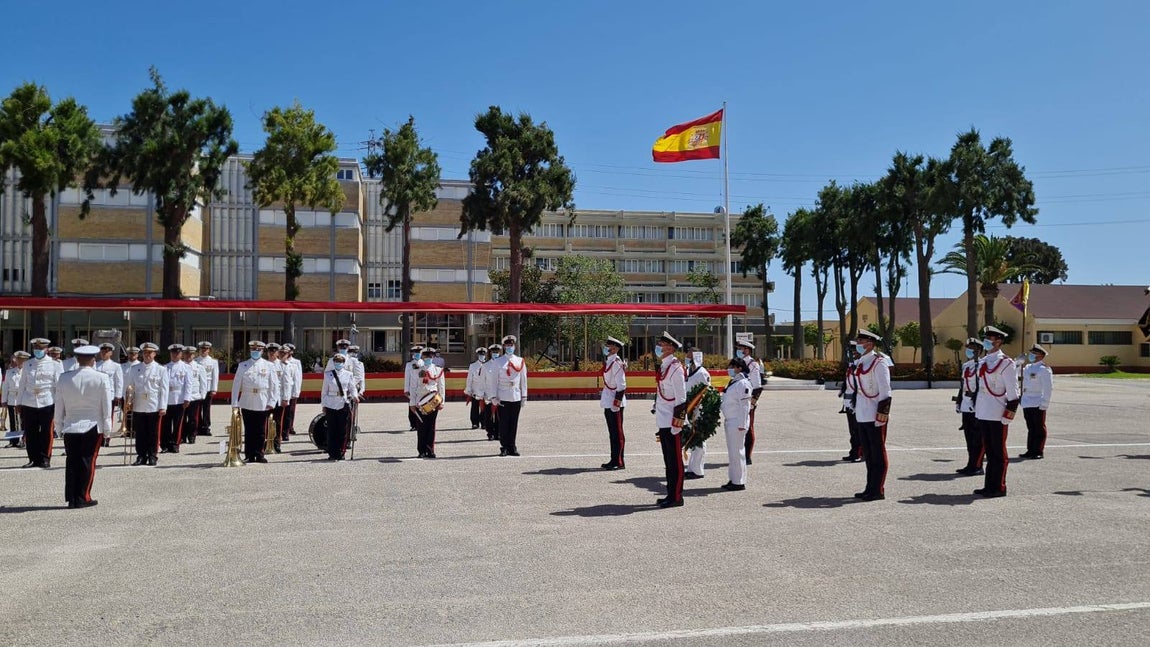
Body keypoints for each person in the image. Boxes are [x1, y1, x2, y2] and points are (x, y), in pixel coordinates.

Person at [53, 345, 112, 508]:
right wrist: (107, 427)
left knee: (72, 461)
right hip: (92, 425)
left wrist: (58, 425)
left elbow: (59, 404)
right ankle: (83, 496)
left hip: (71, 424)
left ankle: (72, 498)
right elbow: (106, 405)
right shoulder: (101, 377)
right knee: (88, 461)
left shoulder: (64, 378)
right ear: (94, 360)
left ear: (77, 359)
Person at [973, 326, 1020, 498]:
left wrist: (1009, 415)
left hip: (998, 413)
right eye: (985, 338)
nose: (986, 341)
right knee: (990, 451)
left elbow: (1014, 393)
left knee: (999, 453)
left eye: (990, 338)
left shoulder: (1006, 363)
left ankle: (999, 486)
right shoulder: (985, 361)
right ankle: (989, 486)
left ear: (999, 341)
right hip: (984, 412)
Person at [852, 330, 892, 502]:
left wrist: (881, 416)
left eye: (860, 341)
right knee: (868, 454)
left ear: (870, 343)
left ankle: (878, 489)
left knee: (878, 453)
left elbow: (886, 392)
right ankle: (870, 487)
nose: (858, 344)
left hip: (875, 415)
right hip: (862, 414)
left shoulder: (879, 363)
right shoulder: (861, 362)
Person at [653, 331, 687, 508]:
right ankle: (669, 493)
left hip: (672, 422)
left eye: (662, 344)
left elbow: (681, 399)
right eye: (659, 344)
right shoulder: (665, 366)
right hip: (663, 419)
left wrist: (677, 423)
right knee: (668, 460)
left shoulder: (675, 368)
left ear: (671, 347)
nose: (659, 347)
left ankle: (677, 496)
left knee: (675, 461)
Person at [17, 338, 63, 468]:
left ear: (46, 349)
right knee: (30, 432)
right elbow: (22, 384)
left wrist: (60, 403)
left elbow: (59, 386)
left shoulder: (55, 365)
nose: (38, 351)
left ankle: (45, 458)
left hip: (47, 400)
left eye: (41, 348)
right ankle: (33, 458)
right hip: (29, 401)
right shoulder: (28, 364)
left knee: (46, 432)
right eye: (36, 348)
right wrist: (19, 402)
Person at [232, 341, 277, 464]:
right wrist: (234, 403)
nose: (255, 352)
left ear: (262, 351)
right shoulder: (243, 365)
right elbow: (236, 385)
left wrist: (272, 401)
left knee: (261, 430)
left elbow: (274, 385)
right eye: (253, 350)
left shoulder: (269, 366)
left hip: (262, 400)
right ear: (250, 351)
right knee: (249, 429)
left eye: (258, 350)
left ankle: (260, 453)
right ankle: (249, 454)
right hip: (247, 400)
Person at [126, 343, 169, 466]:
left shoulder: (161, 369)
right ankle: (141, 455)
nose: (147, 355)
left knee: (153, 432)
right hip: (139, 404)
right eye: (145, 353)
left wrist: (163, 406)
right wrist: (129, 401)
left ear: (154, 354)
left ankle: (152, 455)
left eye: (150, 353)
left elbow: (164, 390)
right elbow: (130, 387)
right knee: (140, 433)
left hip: (153, 404)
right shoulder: (135, 369)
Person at [721, 356, 753, 491]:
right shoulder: (734, 382)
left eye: (732, 367)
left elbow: (745, 406)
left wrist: (742, 424)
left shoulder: (743, 383)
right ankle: (734, 479)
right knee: (732, 453)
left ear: (739, 368)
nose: (730, 369)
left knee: (738, 452)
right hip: (730, 420)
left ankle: (739, 482)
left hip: (737, 422)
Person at [492, 335, 527, 457]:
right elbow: (493, 381)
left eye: (511, 345)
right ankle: (504, 447)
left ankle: (512, 446)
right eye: (507, 345)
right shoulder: (498, 362)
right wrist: (493, 396)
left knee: (514, 423)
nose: (509, 347)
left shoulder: (520, 361)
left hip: (516, 395)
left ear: (514, 346)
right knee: (504, 423)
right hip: (503, 395)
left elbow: (523, 380)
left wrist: (524, 396)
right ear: (504, 347)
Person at [321, 352, 360, 460]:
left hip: (343, 403)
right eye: (336, 361)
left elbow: (352, 388)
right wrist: (323, 404)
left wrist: (355, 396)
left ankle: (341, 452)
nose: (338, 363)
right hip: (330, 403)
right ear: (333, 363)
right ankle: (332, 453)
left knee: (342, 430)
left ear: (344, 363)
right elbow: (324, 391)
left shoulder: (348, 374)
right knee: (331, 430)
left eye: (340, 362)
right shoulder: (328, 374)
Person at [955, 338, 985, 476]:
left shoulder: (982, 365)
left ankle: (977, 465)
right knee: (969, 437)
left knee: (978, 438)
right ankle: (970, 464)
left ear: (978, 351)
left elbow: (982, 386)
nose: (968, 350)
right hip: (967, 403)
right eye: (967, 348)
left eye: (971, 348)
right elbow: (963, 385)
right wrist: (959, 402)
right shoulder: (966, 365)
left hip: (977, 403)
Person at [1019, 344, 1054, 460]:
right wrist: (1017, 363)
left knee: (1039, 427)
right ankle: (1030, 450)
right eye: (1031, 353)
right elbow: (1016, 374)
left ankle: (1038, 450)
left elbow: (1048, 388)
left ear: (1041, 356)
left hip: (1038, 402)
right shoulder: (1028, 367)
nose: (1031, 355)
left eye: (1034, 353)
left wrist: (1045, 403)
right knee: (1031, 427)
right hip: (1027, 401)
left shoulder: (1044, 369)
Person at [410, 350, 446, 458]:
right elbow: (413, 387)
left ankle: (430, 450)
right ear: (422, 357)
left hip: (434, 402)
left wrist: (442, 402)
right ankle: (421, 451)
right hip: (420, 401)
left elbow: (441, 387)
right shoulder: (417, 370)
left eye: (430, 356)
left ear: (433, 357)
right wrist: (412, 403)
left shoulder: (438, 370)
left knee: (431, 427)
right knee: (421, 427)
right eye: (426, 356)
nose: (428, 358)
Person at [600, 336, 628, 470]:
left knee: (617, 432)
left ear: (616, 348)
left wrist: (616, 404)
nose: (607, 347)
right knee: (612, 432)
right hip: (608, 400)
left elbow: (622, 385)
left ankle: (619, 461)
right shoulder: (609, 361)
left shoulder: (616, 363)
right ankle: (613, 459)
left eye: (609, 345)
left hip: (615, 403)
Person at [735, 340, 763, 465]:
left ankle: (747, 456)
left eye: (741, 348)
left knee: (748, 427)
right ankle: (738, 453)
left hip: (748, 401)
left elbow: (757, 386)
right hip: (737, 402)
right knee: (737, 428)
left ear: (747, 350)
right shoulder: (737, 363)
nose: (739, 350)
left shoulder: (753, 364)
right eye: (739, 348)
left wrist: (752, 403)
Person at [683, 348, 709, 478]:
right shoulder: (688, 371)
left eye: (688, 355)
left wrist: (696, 408)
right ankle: (692, 468)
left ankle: (698, 470)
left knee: (699, 439)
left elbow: (706, 393)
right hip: (689, 410)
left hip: (698, 410)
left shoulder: (702, 373)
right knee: (693, 439)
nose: (686, 357)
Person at [161, 344, 191, 453]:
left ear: (181, 354)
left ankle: (175, 443)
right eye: (173, 353)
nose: (174, 355)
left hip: (179, 398)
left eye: (177, 353)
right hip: (167, 398)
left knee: (178, 423)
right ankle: (165, 444)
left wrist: (187, 398)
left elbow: (188, 384)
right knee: (166, 423)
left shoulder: (186, 367)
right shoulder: (164, 367)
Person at [94, 343, 124, 448]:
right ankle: (98, 436)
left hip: (109, 396)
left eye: (106, 351)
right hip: (97, 395)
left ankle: (106, 438)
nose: (104, 353)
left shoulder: (116, 366)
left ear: (111, 353)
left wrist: (118, 395)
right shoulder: (95, 365)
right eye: (102, 351)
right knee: (98, 417)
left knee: (108, 417)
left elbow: (119, 382)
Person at [839, 348, 862, 462]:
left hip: (857, 402)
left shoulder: (861, 365)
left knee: (858, 430)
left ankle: (859, 453)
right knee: (853, 430)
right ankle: (854, 452)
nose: (852, 354)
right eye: (851, 352)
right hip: (849, 403)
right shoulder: (852, 366)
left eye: (854, 352)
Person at [2, 351, 29, 448]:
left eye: (22, 360)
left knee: (23, 421)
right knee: (13, 422)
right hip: (12, 398)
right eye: (19, 359)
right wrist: (4, 400)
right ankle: (13, 441)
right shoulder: (10, 372)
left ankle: (23, 440)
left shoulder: (28, 371)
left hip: (25, 399)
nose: (20, 361)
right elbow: (5, 387)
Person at [181, 346, 207, 445]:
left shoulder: (199, 367)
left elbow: (203, 382)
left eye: (190, 354)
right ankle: (182, 436)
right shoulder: (181, 366)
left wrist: (202, 395)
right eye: (186, 354)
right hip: (182, 397)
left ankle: (192, 435)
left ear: (194, 355)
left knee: (193, 418)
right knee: (182, 418)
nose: (188, 356)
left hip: (194, 396)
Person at [194, 342, 220, 437]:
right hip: (198, 388)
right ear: (199, 350)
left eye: (205, 349)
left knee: (206, 408)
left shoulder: (213, 362)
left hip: (208, 388)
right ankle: (198, 427)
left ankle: (206, 427)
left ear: (209, 350)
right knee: (197, 408)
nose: (204, 350)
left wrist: (214, 389)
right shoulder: (195, 361)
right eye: (202, 349)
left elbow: (215, 376)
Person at [266, 343, 286, 452]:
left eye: (274, 352)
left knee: (277, 422)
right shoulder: (264, 364)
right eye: (270, 352)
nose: (272, 354)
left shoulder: (282, 365)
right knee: (265, 421)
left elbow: (285, 383)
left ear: (277, 353)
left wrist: (285, 398)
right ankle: (266, 442)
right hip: (266, 398)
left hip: (278, 397)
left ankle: (277, 443)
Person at [281, 343, 303, 436]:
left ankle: (290, 427)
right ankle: (283, 428)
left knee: (290, 411)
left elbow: (298, 378)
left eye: (289, 350)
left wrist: (296, 391)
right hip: (282, 391)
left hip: (292, 390)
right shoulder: (279, 361)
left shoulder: (296, 362)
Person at [464, 347, 488, 430]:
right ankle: (475, 423)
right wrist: (469, 389)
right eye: (480, 354)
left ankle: (484, 423)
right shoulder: (473, 365)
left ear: (485, 355)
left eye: (483, 354)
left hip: (485, 390)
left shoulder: (488, 365)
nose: (482, 356)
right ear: (478, 355)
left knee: (485, 407)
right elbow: (469, 378)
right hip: (475, 389)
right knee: (475, 406)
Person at [403, 344, 425, 432]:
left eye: (419, 352)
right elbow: (407, 378)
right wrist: (406, 390)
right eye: (416, 352)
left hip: (422, 388)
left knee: (421, 406)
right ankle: (413, 424)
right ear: (413, 353)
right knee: (412, 406)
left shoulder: (424, 363)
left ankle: (421, 424)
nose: (418, 354)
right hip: (412, 388)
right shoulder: (409, 364)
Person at [482, 344, 502, 441]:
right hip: (489, 394)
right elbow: (483, 381)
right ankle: (490, 433)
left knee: (499, 415)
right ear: (490, 353)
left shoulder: (502, 364)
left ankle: (498, 433)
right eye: (493, 352)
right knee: (488, 415)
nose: (495, 354)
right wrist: (483, 393)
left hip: (500, 394)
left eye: (497, 352)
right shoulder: (485, 366)